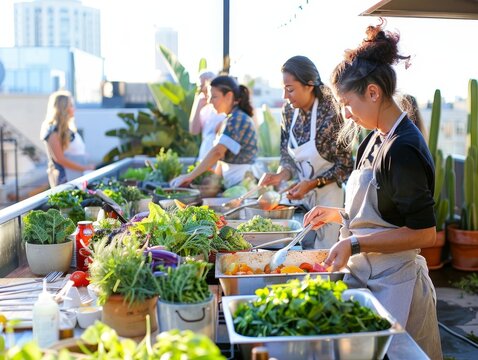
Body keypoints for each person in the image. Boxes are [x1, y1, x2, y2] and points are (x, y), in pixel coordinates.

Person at [303, 21, 442, 359]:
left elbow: (424, 234)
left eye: (347, 103)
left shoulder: (402, 147)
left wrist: (354, 242)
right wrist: (337, 214)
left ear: (374, 92)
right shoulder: (374, 139)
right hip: (371, 281)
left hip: (399, 288)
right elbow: (382, 210)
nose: (346, 115)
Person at [259, 55, 353, 249]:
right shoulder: (288, 111)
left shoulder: (332, 110)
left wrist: (312, 184)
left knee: (325, 254)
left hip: (329, 197)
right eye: (284, 89)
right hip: (302, 197)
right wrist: (281, 175)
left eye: (290, 89)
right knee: (302, 249)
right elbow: (287, 155)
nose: (285, 96)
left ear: (310, 85)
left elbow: (345, 165)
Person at [170, 75, 258, 188]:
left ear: (229, 96)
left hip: (244, 184)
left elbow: (218, 152)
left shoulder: (238, 119)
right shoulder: (231, 118)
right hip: (234, 184)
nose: (209, 101)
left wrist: (189, 176)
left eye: (214, 97)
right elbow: (221, 159)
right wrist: (211, 183)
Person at [40, 90, 94, 187]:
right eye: (71, 105)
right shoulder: (53, 132)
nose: (74, 109)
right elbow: (60, 159)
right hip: (66, 180)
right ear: (63, 108)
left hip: (77, 178)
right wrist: (85, 167)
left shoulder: (67, 129)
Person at [189, 70, 227, 161]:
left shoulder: (225, 107)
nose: (204, 89)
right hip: (204, 160)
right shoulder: (205, 109)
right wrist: (197, 104)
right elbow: (194, 130)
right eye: (201, 86)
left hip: (217, 162)